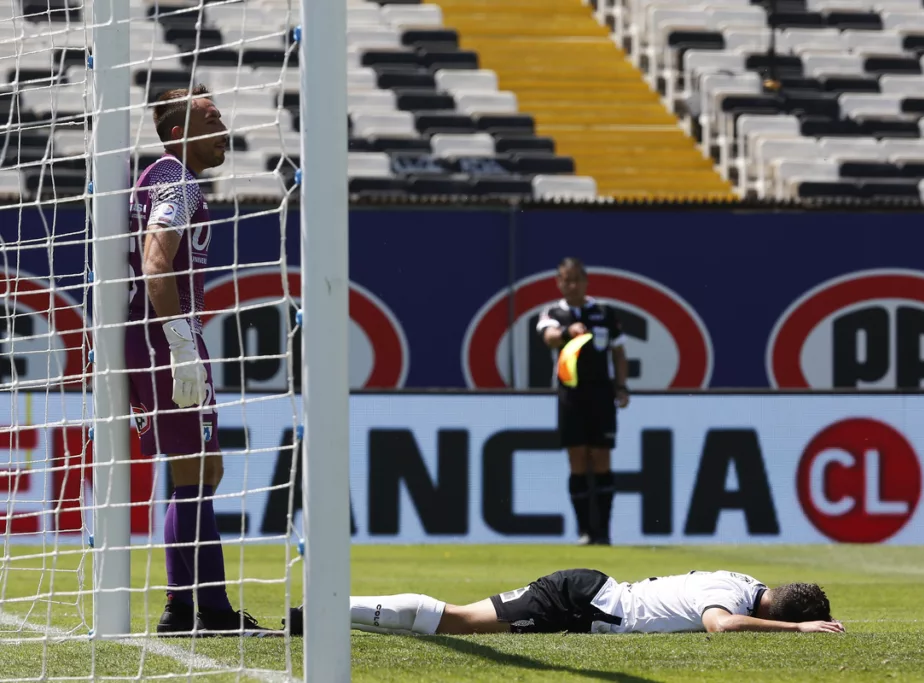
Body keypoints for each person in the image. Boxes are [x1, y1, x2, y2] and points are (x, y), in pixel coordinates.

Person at [127, 85, 275, 637]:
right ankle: (208, 611)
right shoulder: (175, 181)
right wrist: (180, 342)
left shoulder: (159, 179)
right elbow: (155, 260)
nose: (222, 130)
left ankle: (183, 608)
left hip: (155, 336)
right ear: (177, 133)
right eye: (210, 120)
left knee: (199, 469)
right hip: (166, 337)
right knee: (196, 470)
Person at [283, 568, 843, 637]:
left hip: (590, 602)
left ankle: (329, 612)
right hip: (586, 602)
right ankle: (326, 610)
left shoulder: (745, 581)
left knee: (456, 621)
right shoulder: (731, 599)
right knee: (457, 621)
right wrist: (797, 634)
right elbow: (721, 627)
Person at [535, 258, 629, 546]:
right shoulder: (553, 313)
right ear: (559, 282)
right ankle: (584, 530)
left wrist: (622, 386)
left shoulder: (603, 312)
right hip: (570, 395)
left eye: (577, 279)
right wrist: (566, 332)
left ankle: (603, 532)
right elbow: (549, 337)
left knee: (601, 459)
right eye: (567, 279)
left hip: (601, 394)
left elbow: (618, 352)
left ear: (586, 281)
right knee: (577, 459)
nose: (572, 284)